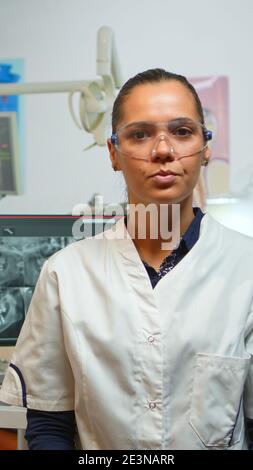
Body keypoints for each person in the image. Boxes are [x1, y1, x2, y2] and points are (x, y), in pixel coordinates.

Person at [0, 68, 253, 450]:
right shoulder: (65, 274)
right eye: (140, 134)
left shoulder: (245, 267)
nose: (164, 150)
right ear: (114, 154)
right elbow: (50, 423)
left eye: (182, 131)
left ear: (206, 149)